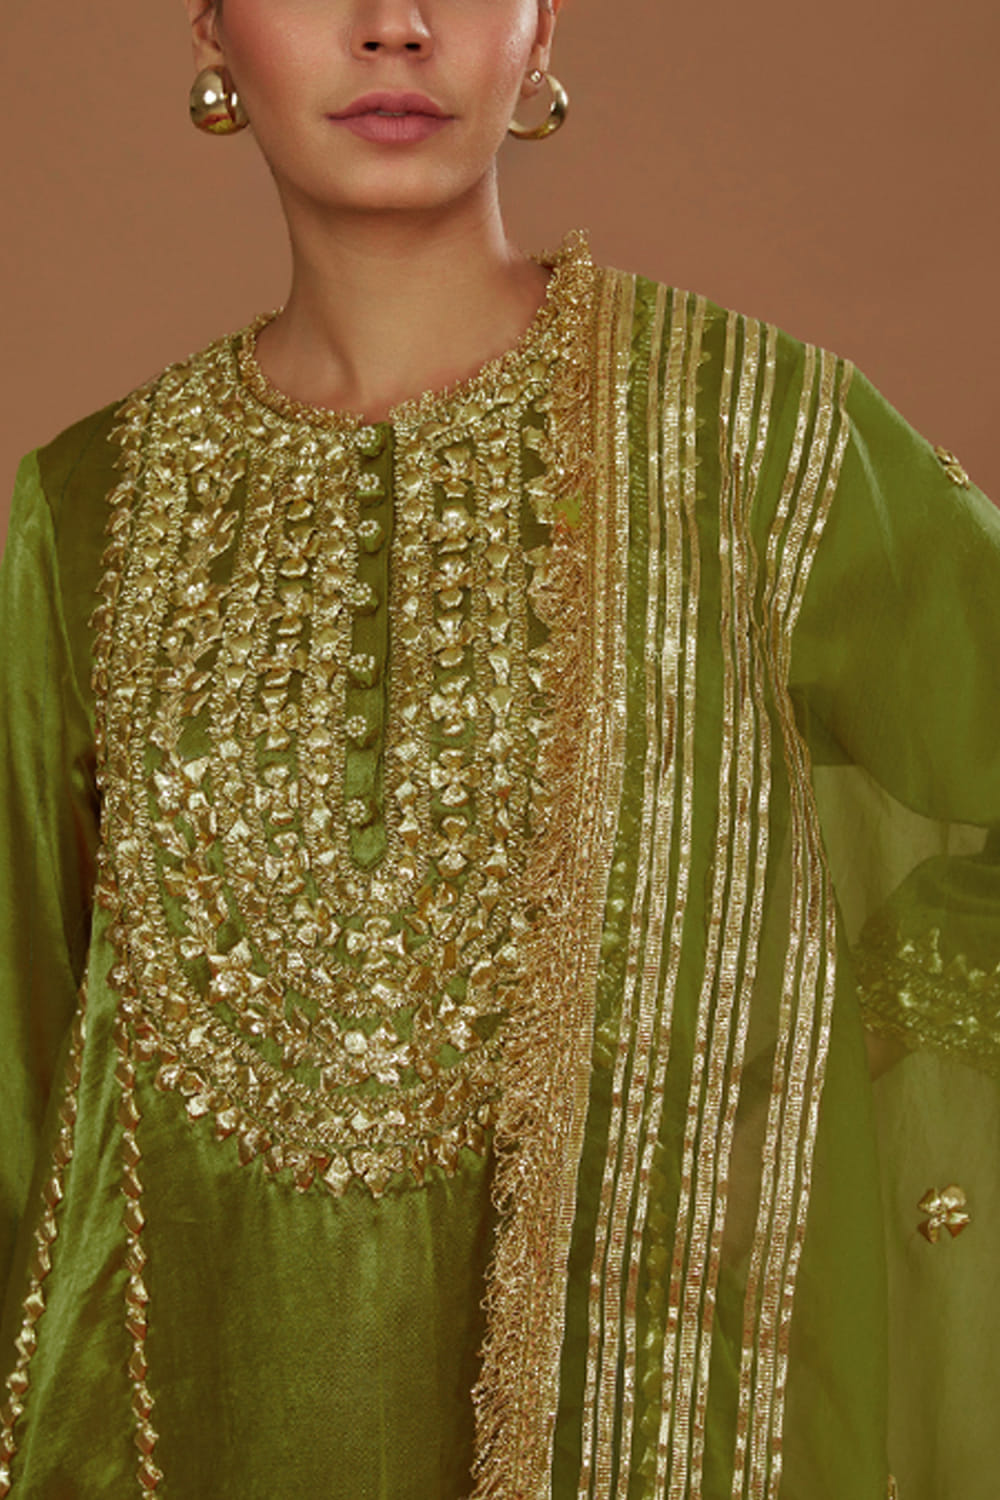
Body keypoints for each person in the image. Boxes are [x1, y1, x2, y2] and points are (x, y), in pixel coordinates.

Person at [1, 0, 997, 1495]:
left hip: (654, 1407)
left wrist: (816, 1067)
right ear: (209, 24)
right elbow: (20, 1061)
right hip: (184, 1420)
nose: (394, 26)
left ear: (541, 29)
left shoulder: (750, 440)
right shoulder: (82, 512)